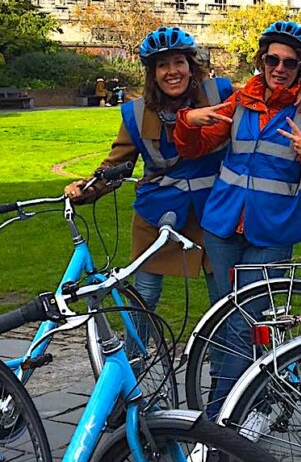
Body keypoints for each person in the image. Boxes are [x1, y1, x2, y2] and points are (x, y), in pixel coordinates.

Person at [175, 20, 301, 411]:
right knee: (220, 321)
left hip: (272, 233)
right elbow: (196, 148)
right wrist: (187, 124)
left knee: (243, 324)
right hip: (224, 225)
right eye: (272, 59)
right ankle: (242, 402)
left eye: (290, 63)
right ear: (261, 60)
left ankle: (218, 415)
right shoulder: (242, 100)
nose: (280, 68)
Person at [64, 26, 232, 312]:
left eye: (179, 62)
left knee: (224, 298)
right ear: (152, 74)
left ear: (191, 67)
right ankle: (135, 357)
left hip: (213, 211)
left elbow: (262, 101)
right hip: (157, 212)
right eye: (162, 65)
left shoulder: (220, 92)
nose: (172, 72)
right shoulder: (137, 112)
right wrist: (85, 188)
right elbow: (117, 163)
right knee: (144, 296)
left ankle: (229, 358)